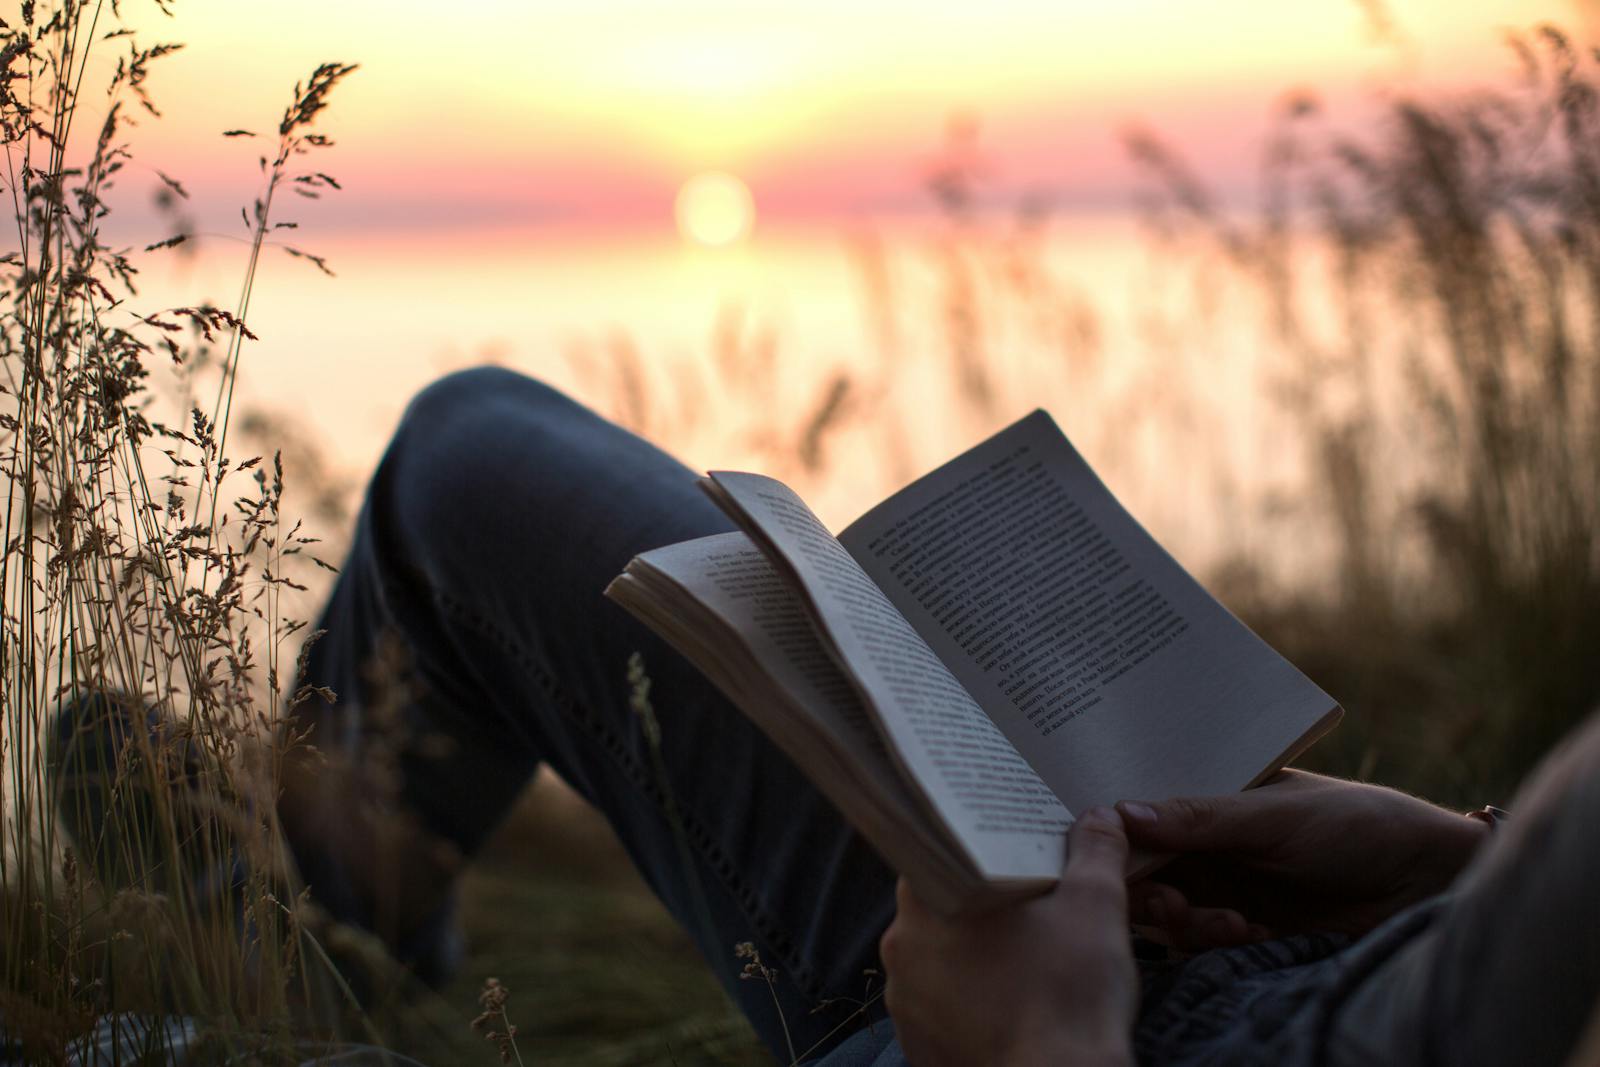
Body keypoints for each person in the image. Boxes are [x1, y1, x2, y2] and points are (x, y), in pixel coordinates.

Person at [277, 366, 1600, 1066]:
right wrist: (1461, 860)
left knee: (460, 470)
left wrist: (1034, 1046)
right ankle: (292, 921)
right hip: (1347, 956)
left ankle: (283, 960)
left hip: (1097, 1037)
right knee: (477, 437)